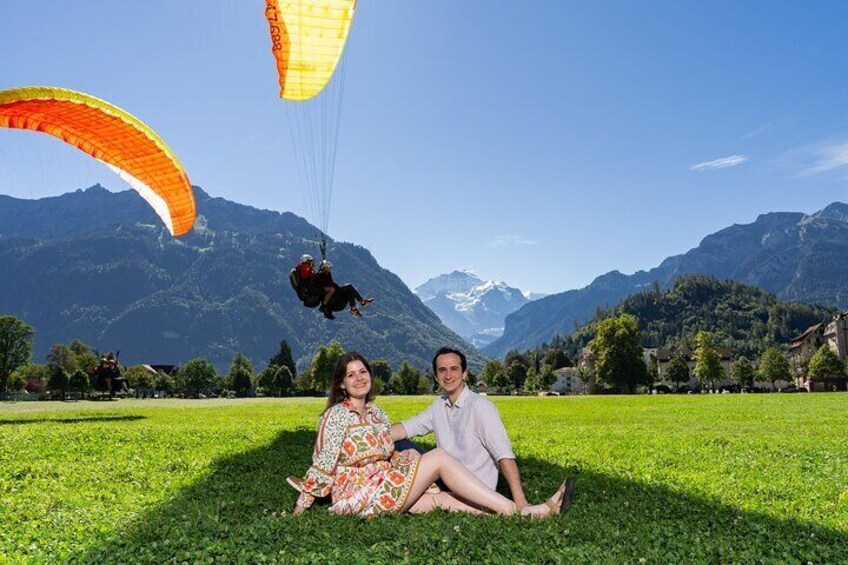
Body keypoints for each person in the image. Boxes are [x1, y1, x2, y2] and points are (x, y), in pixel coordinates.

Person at [289, 351, 571, 519]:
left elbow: (388, 443)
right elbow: (324, 462)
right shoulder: (336, 415)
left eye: (363, 371)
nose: (359, 378)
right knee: (437, 458)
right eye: (351, 375)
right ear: (341, 383)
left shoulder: (377, 414)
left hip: (390, 482)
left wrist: (403, 454)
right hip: (362, 493)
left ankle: (527, 515)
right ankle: (525, 512)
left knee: (446, 502)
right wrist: (302, 505)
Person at [391, 347, 543, 509]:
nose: (448, 376)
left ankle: (506, 508)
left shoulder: (480, 407)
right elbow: (407, 427)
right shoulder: (439, 405)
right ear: (436, 377)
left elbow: (504, 454)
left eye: (454, 369)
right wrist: (369, 433)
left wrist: (520, 501)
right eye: (442, 370)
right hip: (446, 478)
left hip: (475, 487)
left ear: (465, 374)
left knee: (427, 459)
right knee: (400, 443)